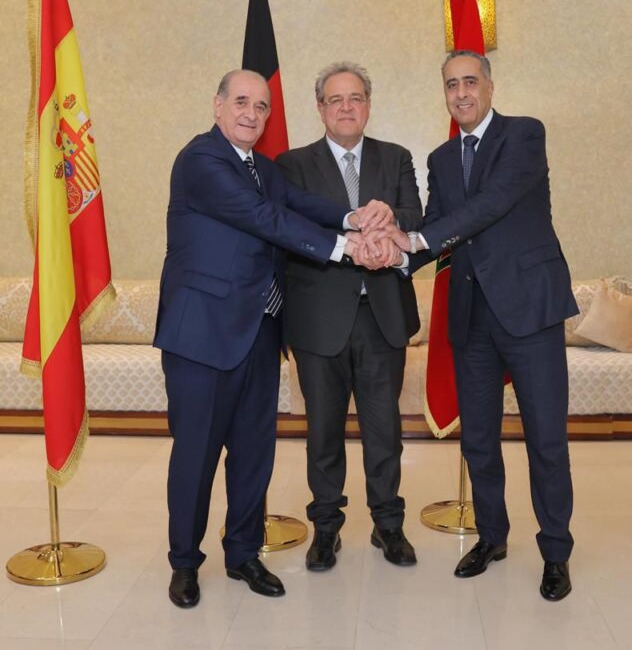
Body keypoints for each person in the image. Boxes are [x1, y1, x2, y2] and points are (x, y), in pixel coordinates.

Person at [155, 69, 391, 608]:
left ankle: (243, 554)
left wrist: (354, 217)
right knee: (196, 458)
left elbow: (300, 204)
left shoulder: (262, 167)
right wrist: (346, 248)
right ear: (217, 105)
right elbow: (264, 218)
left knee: (253, 455)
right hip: (202, 338)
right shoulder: (200, 160)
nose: (252, 114)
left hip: (261, 331)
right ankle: (185, 564)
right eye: (241, 102)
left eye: (261, 106)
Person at [388, 50, 578, 601]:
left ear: (490, 86)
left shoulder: (524, 135)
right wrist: (393, 253)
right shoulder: (441, 158)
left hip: (530, 310)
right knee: (477, 441)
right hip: (471, 316)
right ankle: (492, 536)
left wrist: (418, 239)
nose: (462, 93)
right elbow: (435, 228)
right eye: (452, 85)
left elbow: (492, 204)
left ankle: (556, 552)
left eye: (470, 81)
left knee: (546, 439)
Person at [276, 62, 421, 571]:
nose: (345, 107)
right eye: (335, 99)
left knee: (385, 431)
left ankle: (389, 525)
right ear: (320, 108)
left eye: (355, 98)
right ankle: (326, 529)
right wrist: (352, 238)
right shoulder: (291, 165)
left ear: (368, 106)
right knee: (323, 433)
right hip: (319, 320)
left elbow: (417, 217)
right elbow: (292, 227)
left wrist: (390, 224)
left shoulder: (396, 157)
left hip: (383, 316)